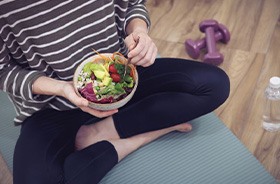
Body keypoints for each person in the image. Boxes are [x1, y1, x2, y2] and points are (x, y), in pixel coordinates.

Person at [0, 0, 230, 183]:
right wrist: (62, 88)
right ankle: (137, 138)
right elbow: (3, 71)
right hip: (54, 105)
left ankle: (105, 132)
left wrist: (140, 32)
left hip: (124, 79)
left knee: (214, 84)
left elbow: (132, 4)